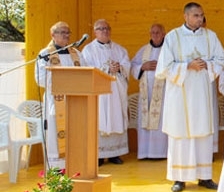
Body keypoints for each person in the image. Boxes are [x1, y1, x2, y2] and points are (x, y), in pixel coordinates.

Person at [156, 2, 224, 192]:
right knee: (181, 135)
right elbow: (162, 68)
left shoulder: (210, 36)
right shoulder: (172, 37)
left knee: (202, 133)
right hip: (180, 96)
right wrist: (187, 66)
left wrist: (207, 65)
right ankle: (179, 178)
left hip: (202, 94)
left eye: (201, 15)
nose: (199, 19)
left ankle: (205, 176)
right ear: (185, 16)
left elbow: (221, 60)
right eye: (195, 15)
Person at [35, 22, 86, 169]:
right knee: (55, 134)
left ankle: (75, 165)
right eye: (62, 32)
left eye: (68, 32)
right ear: (53, 35)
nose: (67, 35)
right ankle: (57, 168)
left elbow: (86, 73)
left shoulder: (76, 53)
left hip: (76, 101)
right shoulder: (45, 54)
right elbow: (40, 78)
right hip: (56, 100)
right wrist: (63, 82)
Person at [82, 19, 130, 165]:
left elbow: (127, 64)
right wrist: (107, 69)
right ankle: (99, 155)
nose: (105, 31)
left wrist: (120, 67)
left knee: (116, 117)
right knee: (100, 120)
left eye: (107, 28)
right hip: (100, 93)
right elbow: (87, 69)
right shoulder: (88, 50)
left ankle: (116, 153)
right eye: (101, 29)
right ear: (95, 32)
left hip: (116, 91)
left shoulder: (119, 49)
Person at [130, 23, 168, 160]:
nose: (155, 35)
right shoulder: (143, 50)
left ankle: (160, 153)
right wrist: (142, 66)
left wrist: (162, 67)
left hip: (163, 94)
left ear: (164, 34)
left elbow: (174, 67)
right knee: (145, 121)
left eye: (158, 32)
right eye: (153, 32)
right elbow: (132, 66)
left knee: (161, 121)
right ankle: (145, 152)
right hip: (146, 95)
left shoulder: (168, 50)